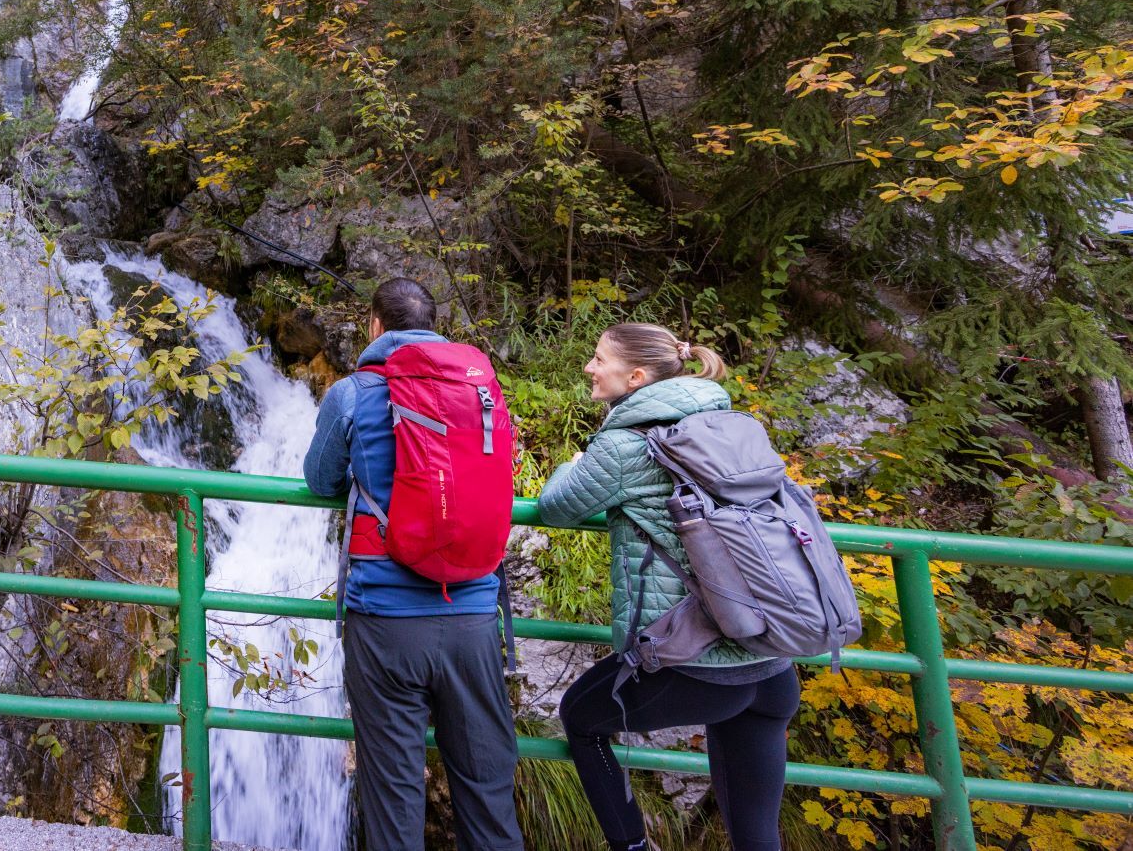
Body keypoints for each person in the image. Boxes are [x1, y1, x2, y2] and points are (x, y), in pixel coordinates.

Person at [535, 322, 801, 851]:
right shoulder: (732, 425)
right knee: (756, 836)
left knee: (581, 719)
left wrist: (573, 464)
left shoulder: (626, 445)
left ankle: (632, 845)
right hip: (771, 660)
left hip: (698, 665)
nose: (589, 367)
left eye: (598, 359)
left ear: (635, 377)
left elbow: (556, 506)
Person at [303, 277, 523, 851]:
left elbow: (320, 479)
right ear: (434, 326)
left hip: (385, 621)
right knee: (487, 790)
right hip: (474, 614)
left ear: (375, 326)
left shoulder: (353, 392)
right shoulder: (479, 387)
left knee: (393, 795)